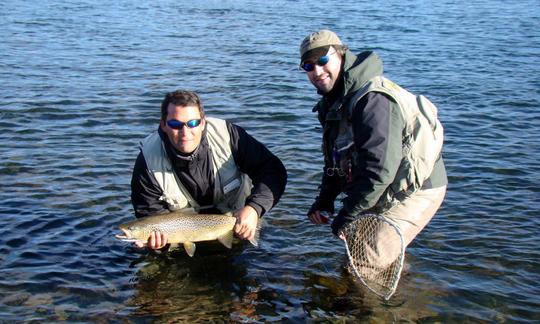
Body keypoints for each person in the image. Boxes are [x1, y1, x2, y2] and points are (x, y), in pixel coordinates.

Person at [299, 29, 447, 269]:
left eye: (323, 60)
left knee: (366, 261)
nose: (317, 71)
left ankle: (376, 301)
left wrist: (346, 215)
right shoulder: (332, 103)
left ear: (341, 54)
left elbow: (379, 170)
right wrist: (325, 200)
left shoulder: (373, 100)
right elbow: (335, 159)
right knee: (358, 244)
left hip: (415, 187)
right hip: (383, 182)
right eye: (308, 66)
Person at [131, 90, 287, 250]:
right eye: (176, 125)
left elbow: (272, 170)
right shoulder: (148, 159)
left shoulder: (229, 135)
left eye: (193, 123)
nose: (185, 132)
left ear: (203, 122)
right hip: (180, 239)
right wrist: (158, 243)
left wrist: (254, 208)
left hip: (238, 224)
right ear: (163, 125)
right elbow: (147, 210)